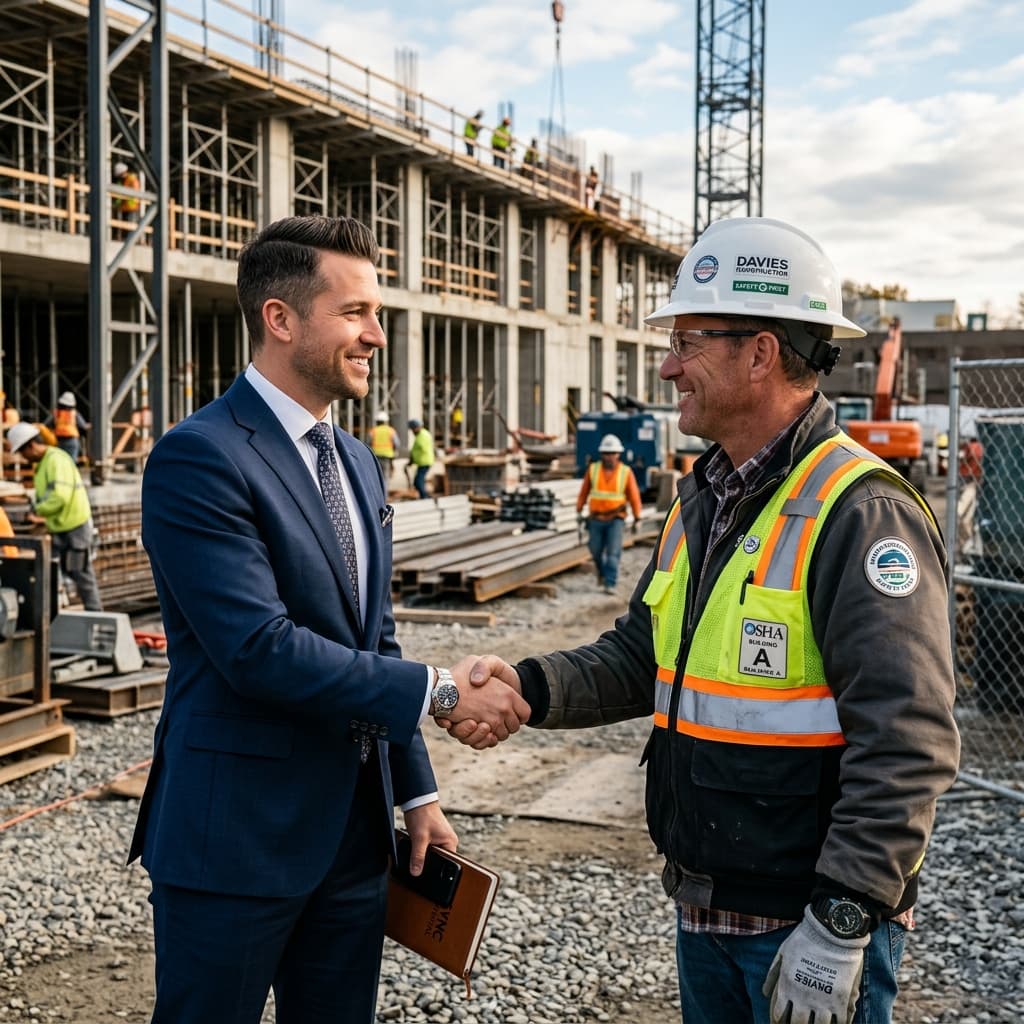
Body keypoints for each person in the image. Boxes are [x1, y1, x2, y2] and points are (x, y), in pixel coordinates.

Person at [445, 217, 961, 1024]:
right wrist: (529, 687)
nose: (667, 364)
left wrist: (844, 918)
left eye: (688, 341)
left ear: (760, 352)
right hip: (708, 906)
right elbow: (641, 655)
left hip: (804, 922)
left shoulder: (858, 511)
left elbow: (909, 739)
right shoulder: (704, 498)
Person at [128, 215, 528, 1024]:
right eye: (355, 313)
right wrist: (445, 693)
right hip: (233, 842)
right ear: (281, 319)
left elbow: (373, 641)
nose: (376, 335)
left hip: (353, 841)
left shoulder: (353, 459)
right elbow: (259, 650)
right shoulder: (199, 455)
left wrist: (417, 793)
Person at [5, 421, 103, 611]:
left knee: (81, 573)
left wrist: (38, 511)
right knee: (53, 573)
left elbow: (60, 496)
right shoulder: (43, 464)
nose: (24, 458)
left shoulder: (56, 460)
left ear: (31, 446)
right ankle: (56, 618)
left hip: (74, 528)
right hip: (59, 527)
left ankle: (96, 616)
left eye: (23, 453)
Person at [576, 433, 642, 594]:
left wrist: (637, 517)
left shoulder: (625, 472)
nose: (609, 457)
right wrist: (579, 510)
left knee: (613, 553)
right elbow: (584, 493)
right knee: (595, 551)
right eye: (606, 453)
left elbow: (634, 497)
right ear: (602, 454)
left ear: (618, 454)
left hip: (616, 519)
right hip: (596, 519)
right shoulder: (593, 470)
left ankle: (610, 583)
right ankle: (602, 573)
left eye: (612, 453)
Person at [44, 391, 90, 463]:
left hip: (58, 441)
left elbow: (46, 425)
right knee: (71, 463)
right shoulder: (74, 413)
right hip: (72, 441)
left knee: (60, 463)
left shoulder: (56, 414)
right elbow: (83, 426)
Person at [366, 410, 399, 485]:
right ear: (386, 421)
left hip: (375, 456)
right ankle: (384, 494)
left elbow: (367, 444)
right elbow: (396, 443)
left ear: (377, 421)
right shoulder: (391, 431)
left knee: (376, 475)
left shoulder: (373, 431)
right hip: (387, 456)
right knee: (385, 476)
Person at [408, 418, 434, 499]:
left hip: (424, 462)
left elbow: (421, 449)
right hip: (422, 462)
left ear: (417, 427)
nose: (412, 431)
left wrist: (412, 459)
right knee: (417, 481)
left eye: (413, 429)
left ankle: (424, 497)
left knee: (418, 481)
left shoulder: (423, 435)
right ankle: (424, 495)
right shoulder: (422, 434)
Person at [112, 160, 140, 235]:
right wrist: (116, 205)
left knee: (131, 227)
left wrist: (126, 198)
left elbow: (135, 192)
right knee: (124, 226)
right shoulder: (121, 181)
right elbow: (118, 196)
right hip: (124, 207)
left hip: (132, 207)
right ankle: (123, 237)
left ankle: (131, 239)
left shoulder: (132, 179)